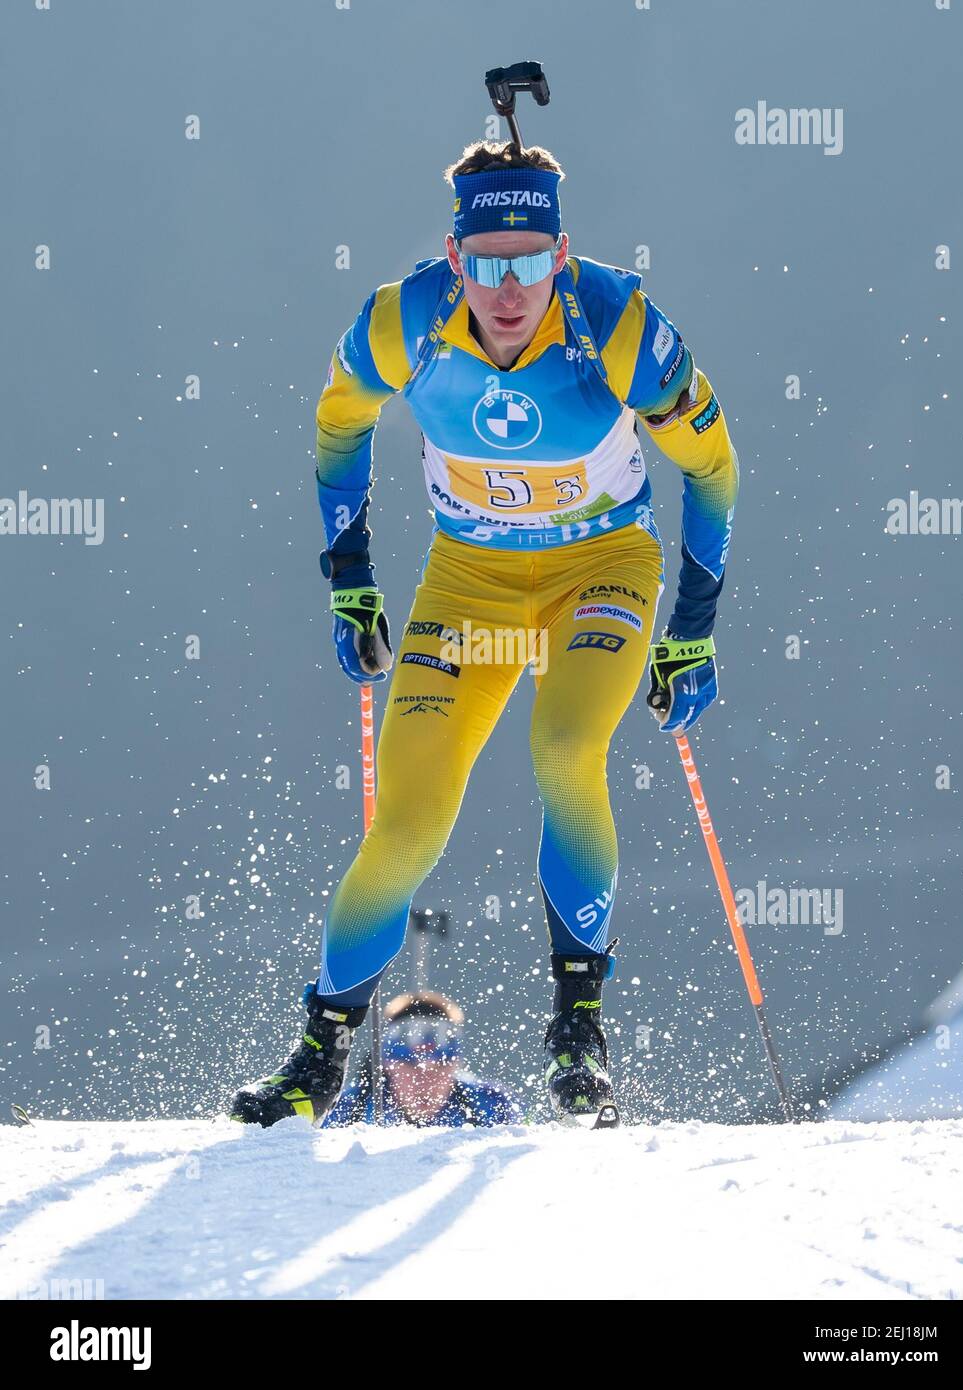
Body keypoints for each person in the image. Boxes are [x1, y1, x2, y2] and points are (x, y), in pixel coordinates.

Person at [230, 135, 738, 1130]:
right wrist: (349, 578)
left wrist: (692, 630)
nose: (511, 288)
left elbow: (713, 468)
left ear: (561, 251)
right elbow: (338, 427)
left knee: (564, 748)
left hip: (603, 571)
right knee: (408, 824)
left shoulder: (620, 329)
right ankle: (319, 1057)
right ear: (456, 259)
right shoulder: (401, 323)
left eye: (533, 259)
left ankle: (578, 1035)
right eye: (489, 262)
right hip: (470, 583)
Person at [323, 991, 522, 1127]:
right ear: (387, 1065)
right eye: (410, 1067)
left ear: (455, 1065)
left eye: (437, 1068)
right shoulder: (348, 1108)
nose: (424, 1081)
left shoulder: (491, 1104)